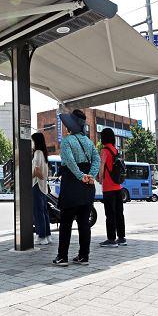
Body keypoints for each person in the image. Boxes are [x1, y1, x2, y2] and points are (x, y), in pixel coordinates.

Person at [53, 109, 100, 267]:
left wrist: (80, 176)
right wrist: (90, 176)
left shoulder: (67, 141)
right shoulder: (89, 142)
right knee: (84, 223)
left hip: (72, 185)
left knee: (66, 222)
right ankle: (83, 256)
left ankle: (62, 257)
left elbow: (70, 162)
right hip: (87, 187)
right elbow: (97, 160)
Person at [98, 128, 127, 247]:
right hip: (118, 187)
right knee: (119, 213)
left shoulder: (104, 150)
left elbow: (102, 166)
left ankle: (111, 239)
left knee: (110, 213)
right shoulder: (116, 150)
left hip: (108, 187)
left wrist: (100, 179)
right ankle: (121, 238)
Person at [31, 132, 51, 245]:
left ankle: (41, 236)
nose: (32, 143)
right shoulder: (44, 153)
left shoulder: (37, 152)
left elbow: (37, 170)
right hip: (43, 186)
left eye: (33, 141)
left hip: (36, 184)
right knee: (44, 211)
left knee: (38, 212)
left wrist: (30, 176)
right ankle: (47, 235)